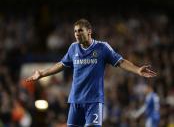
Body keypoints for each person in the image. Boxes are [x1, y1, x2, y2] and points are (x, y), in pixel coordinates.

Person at [26, 19, 157, 127]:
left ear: (89, 31)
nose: (77, 34)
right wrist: (42, 73)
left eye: (80, 30)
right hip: (75, 100)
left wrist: (137, 69)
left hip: (93, 101)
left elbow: (120, 61)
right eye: (75, 31)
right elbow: (61, 64)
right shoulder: (73, 48)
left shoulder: (102, 47)